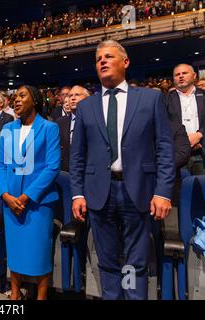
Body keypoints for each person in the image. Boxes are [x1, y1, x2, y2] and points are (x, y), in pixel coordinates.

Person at [70, 40, 175, 300]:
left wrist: (163, 191)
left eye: (109, 56)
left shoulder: (150, 98)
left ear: (125, 62)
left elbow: (164, 147)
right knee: (105, 260)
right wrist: (77, 194)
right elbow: (78, 156)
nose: (102, 61)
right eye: (98, 59)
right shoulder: (86, 106)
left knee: (135, 262)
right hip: (98, 192)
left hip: (137, 190)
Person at [0, 85, 61, 300]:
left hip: (37, 203)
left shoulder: (49, 128)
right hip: (10, 201)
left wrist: (25, 197)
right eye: (14, 97)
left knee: (40, 252)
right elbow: (1, 165)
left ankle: (41, 297)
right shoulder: (8, 129)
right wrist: (5, 194)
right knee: (14, 251)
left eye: (22, 96)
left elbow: (52, 167)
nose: (16, 100)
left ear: (35, 100)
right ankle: (15, 295)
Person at [166, 64, 205, 175]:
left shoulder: (203, 95)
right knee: (181, 190)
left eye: (185, 73)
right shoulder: (165, 99)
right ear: (173, 79)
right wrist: (184, 141)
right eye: (177, 74)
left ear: (194, 76)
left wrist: (199, 135)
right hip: (177, 154)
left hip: (201, 151)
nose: (181, 76)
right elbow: (163, 125)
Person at [56, 86, 90, 172]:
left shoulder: (97, 120)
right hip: (66, 172)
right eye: (70, 96)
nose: (73, 98)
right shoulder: (60, 123)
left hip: (90, 173)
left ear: (88, 99)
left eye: (77, 95)